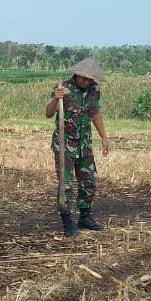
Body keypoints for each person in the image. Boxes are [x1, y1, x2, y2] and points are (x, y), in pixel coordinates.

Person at [44, 58, 110, 236]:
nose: (87, 82)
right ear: (77, 75)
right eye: (84, 79)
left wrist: (104, 137)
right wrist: (55, 99)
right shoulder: (63, 88)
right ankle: (67, 221)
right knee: (65, 185)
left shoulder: (93, 91)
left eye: (90, 79)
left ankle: (85, 216)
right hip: (65, 144)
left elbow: (95, 112)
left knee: (88, 181)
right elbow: (48, 113)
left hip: (85, 144)